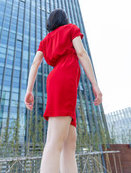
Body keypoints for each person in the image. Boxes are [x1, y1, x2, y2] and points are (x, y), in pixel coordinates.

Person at [24, 9, 102, 173]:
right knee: (55, 140)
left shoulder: (45, 41)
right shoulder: (71, 29)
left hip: (58, 81)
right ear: (64, 20)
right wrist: (95, 84)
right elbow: (81, 52)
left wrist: (29, 90)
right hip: (65, 79)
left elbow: (35, 63)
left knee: (69, 142)